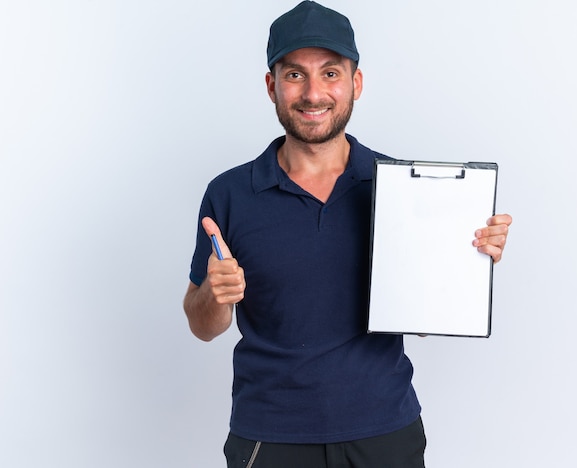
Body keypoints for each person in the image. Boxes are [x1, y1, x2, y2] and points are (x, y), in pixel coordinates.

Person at [183, 2, 512, 467]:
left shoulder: (400, 186)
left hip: (385, 433)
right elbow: (202, 326)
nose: (313, 93)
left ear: (355, 83)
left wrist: (467, 259)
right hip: (270, 436)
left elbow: (423, 317)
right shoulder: (230, 193)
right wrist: (217, 296)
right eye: (295, 75)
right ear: (271, 86)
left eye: (331, 74)